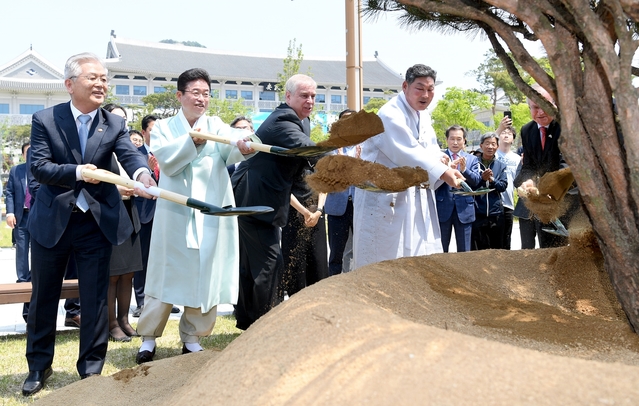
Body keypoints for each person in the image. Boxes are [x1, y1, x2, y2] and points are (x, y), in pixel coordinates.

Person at [22, 52, 156, 396]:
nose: (101, 84)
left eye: (104, 78)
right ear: (70, 84)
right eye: (92, 77)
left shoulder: (113, 123)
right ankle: (38, 366)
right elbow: (39, 167)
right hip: (53, 220)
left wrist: (142, 176)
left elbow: (130, 154)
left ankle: (91, 370)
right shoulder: (45, 119)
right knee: (44, 297)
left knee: (96, 298)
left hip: (96, 222)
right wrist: (79, 173)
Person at [135, 68, 254, 363]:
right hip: (175, 212)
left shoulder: (217, 125)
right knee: (165, 273)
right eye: (195, 93)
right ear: (180, 96)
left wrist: (244, 145)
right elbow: (167, 162)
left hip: (211, 213)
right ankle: (148, 338)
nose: (201, 99)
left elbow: (234, 147)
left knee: (206, 274)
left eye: (206, 94)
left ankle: (192, 337)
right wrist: (194, 142)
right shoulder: (163, 128)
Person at [352, 64, 463, 269]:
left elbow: (428, 147)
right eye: (419, 88)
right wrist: (444, 172)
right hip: (383, 197)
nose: (426, 95)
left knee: (415, 255)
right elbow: (408, 151)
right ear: (405, 86)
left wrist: (442, 159)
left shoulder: (423, 114)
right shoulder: (389, 114)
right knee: (383, 257)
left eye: (430, 89)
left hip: (411, 195)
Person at [231, 74, 317, 330]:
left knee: (252, 262)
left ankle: (248, 321)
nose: (310, 101)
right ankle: (267, 326)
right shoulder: (283, 120)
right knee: (269, 263)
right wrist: (341, 164)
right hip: (254, 197)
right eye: (304, 95)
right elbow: (308, 149)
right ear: (288, 97)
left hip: (265, 196)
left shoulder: (303, 120)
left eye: (313, 96)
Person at [513, 85, 577, 248]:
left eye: (545, 106)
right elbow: (529, 166)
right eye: (535, 107)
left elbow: (567, 164)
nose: (540, 112)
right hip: (544, 206)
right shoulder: (527, 130)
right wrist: (528, 181)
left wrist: (550, 188)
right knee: (548, 251)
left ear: (555, 105)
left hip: (573, 201)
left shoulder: (569, 125)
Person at [102, 103, 143, 342]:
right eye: (115, 118)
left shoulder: (128, 147)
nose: (121, 124)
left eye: (124, 120)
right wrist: (116, 190)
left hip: (130, 212)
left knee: (128, 274)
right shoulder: (100, 147)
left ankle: (125, 320)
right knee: (113, 276)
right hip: (110, 216)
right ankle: (111, 324)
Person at [435, 125, 481, 252]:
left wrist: (464, 169)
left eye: (459, 139)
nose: (455, 142)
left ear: (464, 140)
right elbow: (430, 181)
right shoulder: (438, 158)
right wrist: (444, 169)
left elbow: (476, 181)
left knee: (464, 250)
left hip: (464, 209)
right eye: (452, 139)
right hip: (442, 207)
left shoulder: (472, 159)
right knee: (440, 249)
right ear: (446, 140)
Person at [325, 109, 358, 275]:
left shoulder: (365, 147)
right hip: (337, 207)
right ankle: (333, 287)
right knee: (336, 253)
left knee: (359, 251)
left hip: (360, 206)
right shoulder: (331, 148)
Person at [5, 142, 32, 323]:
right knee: (21, 250)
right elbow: (9, 192)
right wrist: (10, 212)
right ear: (23, 155)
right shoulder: (16, 170)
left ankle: (34, 278)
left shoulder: (42, 169)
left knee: (39, 251)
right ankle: (23, 280)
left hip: (38, 217)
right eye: (27, 152)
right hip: (21, 215)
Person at [471, 132, 508, 250]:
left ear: (497, 146)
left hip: (496, 213)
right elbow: (470, 185)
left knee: (497, 249)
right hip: (477, 213)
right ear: (481, 146)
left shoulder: (501, 166)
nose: (490, 147)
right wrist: (482, 179)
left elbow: (502, 186)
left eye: (493, 144)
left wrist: (491, 179)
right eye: (487, 143)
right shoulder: (473, 163)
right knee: (478, 250)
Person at [495, 121, 521, 250]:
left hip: (509, 203)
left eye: (509, 133)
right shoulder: (492, 154)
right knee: (494, 238)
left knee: (506, 237)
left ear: (513, 139)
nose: (505, 135)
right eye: (503, 132)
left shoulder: (517, 159)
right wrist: (498, 129)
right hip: (493, 202)